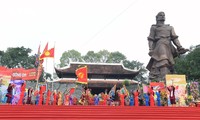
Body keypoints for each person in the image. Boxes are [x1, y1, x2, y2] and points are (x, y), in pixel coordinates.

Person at [146, 11, 188, 81]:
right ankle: (163, 78)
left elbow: (175, 38)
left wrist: (179, 47)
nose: (162, 16)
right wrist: (150, 49)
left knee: (169, 62)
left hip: (169, 45)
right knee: (163, 60)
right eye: (161, 15)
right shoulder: (154, 27)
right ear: (157, 18)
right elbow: (151, 39)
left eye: (164, 15)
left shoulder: (170, 27)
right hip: (160, 44)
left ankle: (169, 76)